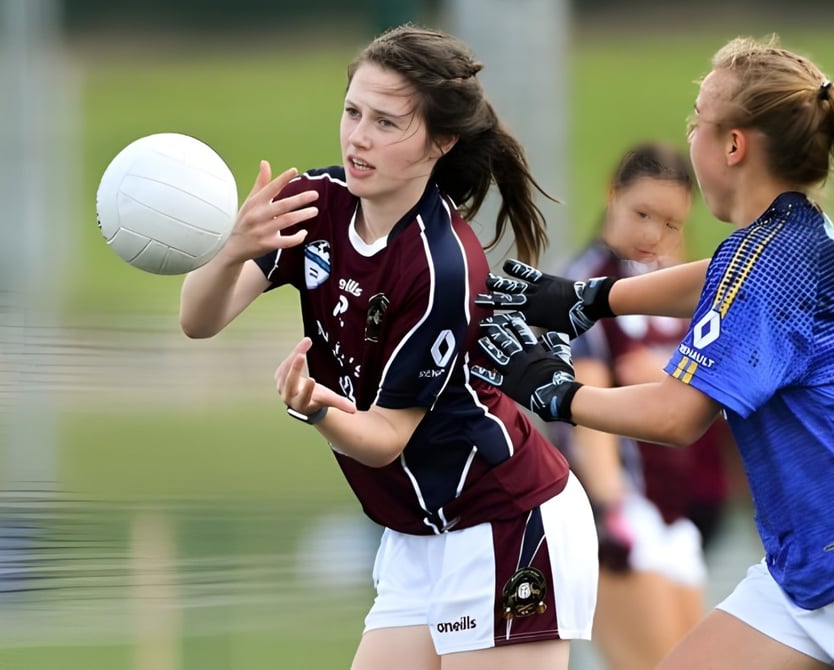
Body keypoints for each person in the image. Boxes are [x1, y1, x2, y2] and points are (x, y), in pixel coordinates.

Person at [473, 34, 834, 669]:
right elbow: (716, 279)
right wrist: (589, 298)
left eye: (698, 122)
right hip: (808, 571)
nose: (690, 136)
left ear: (732, 145)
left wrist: (556, 391)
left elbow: (677, 416)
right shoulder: (779, 237)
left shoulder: (770, 255)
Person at [178, 24, 597, 670]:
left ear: (440, 141)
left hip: (504, 521)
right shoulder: (311, 207)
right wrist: (233, 246)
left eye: (386, 122)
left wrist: (317, 409)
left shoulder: (440, 266)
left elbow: (384, 435)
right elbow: (198, 319)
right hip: (416, 534)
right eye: (352, 111)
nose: (357, 136)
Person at [551, 141, 740, 668]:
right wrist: (611, 511)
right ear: (612, 197)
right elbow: (584, 407)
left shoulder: (680, 288)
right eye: (642, 214)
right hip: (623, 517)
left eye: (670, 222)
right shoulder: (583, 286)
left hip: (681, 515)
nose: (653, 235)